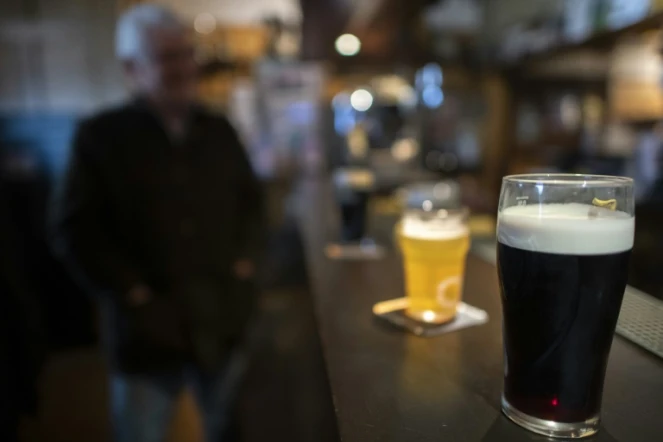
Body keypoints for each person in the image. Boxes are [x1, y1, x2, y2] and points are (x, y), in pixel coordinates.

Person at [50, 4, 263, 442]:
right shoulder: (101, 136)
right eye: (167, 57)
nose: (183, 67)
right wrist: (131, 290)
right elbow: (73, 230)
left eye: (186, 54)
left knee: (232, 429)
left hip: (222, 317)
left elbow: (252, 204)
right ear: (132, 67)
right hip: (146, 330)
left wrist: (246, 263)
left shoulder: (218, 128)